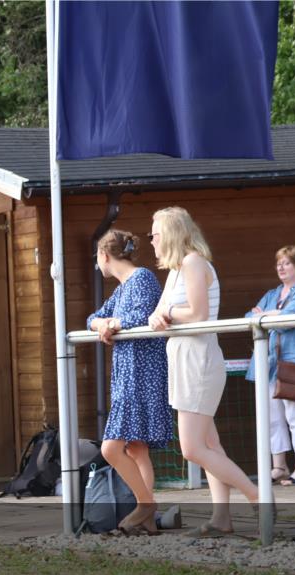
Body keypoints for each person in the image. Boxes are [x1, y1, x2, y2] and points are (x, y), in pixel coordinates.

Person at [147, 207, 261, 537]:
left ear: (169, 234)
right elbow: (162, 311)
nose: (152, 241)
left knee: (193, 448)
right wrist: (160, 315)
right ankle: (221, 518)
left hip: (199, 361)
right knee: (210, 444)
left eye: (154, 234)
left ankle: (257, 496)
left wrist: (166, 312)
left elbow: (197, 313)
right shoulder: (175, 271)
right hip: (183, 359)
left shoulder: (194, 262)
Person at [87, 229, 172, 534]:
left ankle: (145, 504)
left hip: (142, 373)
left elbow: (143, 316)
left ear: (104, 256)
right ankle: (147, 518)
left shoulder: (143, 278)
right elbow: (93, 317)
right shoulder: (122, 289)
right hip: (126, 373)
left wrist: (114, 324)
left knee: (112, 448)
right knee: (136, 448)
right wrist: (102, 323)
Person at [245, 246, 295, 485]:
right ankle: (279, 467)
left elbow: (288, 320)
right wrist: (272, 314)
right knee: (272, 417)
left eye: (287, 263)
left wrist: (264, 315)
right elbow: (249, 318)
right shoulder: (272, 293)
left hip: (294, 360)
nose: (281, 267)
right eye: (279, 263)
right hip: (268, 363)